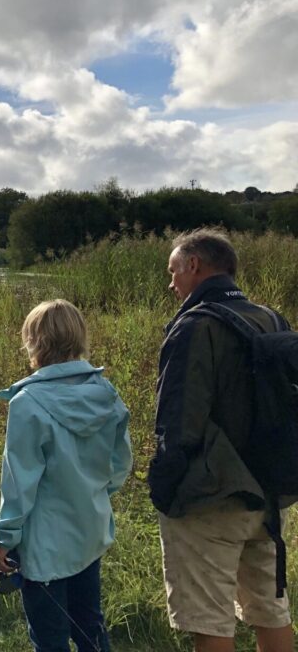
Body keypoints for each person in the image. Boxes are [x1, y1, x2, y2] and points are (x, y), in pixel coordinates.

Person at [149, 229, 294, 652]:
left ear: (195, 266)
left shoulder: (194, 327)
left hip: (210, 500)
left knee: (210, 620)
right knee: (271, 611)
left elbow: (178, 423)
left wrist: (165, 489)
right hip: (269, 497)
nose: (171, 282)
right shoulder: (271, 318)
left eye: (173, 270)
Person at [0, 299, 132, 652]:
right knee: (90, 626)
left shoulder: (27, 403)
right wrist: (91, 494)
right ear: (79, 337)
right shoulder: (105, 393)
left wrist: (5, 539)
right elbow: (120, 465)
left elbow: (19, 483)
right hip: (90, 532)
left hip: (44, 547)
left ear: (34, 342)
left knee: (50, 639)